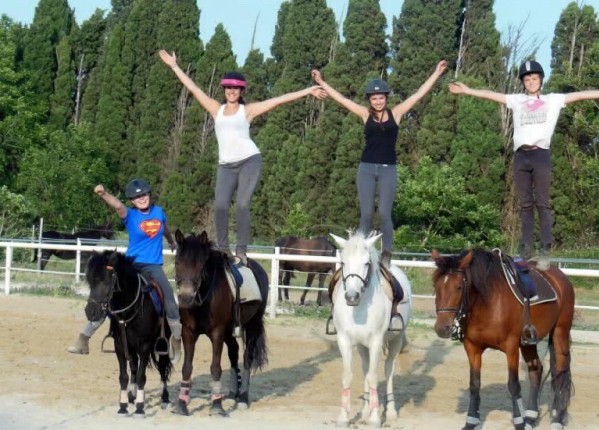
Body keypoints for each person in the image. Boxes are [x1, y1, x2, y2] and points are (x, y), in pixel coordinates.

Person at [449, 61, 599, 270]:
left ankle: (545, 248)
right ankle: (526, 248)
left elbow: (581, 95)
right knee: (525, 204)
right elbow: (491, 95)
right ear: (523, 83)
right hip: (521, 156)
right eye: (527, 79)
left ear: (541, 80)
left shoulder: (552, 100)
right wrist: (466, 90)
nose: (531, 82)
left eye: (534, 78)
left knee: (542, 203)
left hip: (540, 155)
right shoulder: (516, 100)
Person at [159, 50, 327, 265]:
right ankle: (222, 248)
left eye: (236, 88)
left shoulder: (247, 110)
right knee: (220, 205)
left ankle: (241, 250)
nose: (231, 91)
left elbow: (278, 100)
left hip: (249, 161)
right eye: (228, 87)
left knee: (242, 204)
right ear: (224, 89)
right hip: (226, 166)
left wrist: (308, 91)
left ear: (241, 90)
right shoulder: (215, 109)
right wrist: (174, 66)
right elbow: (192, 88)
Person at [311, 60, 449, 268]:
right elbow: (341, 99)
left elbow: (418, 94)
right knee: (366, 214)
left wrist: (436, 73)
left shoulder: (397, 113)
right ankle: (359, 251)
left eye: (381, 97)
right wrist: (322, 81)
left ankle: (387, 253)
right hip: (366, 169)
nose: (377, 101)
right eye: (374, 98)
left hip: (388, 170)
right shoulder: (364, 114)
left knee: (384, 213)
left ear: (386, 98)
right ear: (370, 100)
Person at [68, 179, 183, 365]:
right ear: (132, 200)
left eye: (144, 194)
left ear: (149, 195)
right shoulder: (130, 215)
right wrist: (103, 194)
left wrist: (171, 241)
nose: (142, 199)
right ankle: (84, 338)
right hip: (131, 263)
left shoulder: (158, 212)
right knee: (109, 296)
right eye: (137, 197)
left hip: (153, 266)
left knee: (169, 296)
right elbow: (118, 206)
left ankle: (176, 340)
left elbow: (166, 229)